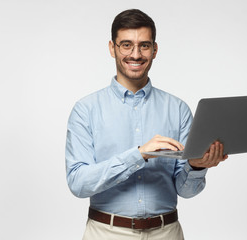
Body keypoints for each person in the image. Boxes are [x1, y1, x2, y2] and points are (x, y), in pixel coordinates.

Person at [65, 9, 228, 240]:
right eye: (126, 45)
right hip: (106, 233)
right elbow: (78, 183)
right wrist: (138, 155)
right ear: (112, 48)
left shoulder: (178, 109)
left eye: (144, 45)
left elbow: (186, 191)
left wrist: (197, 166)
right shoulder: (86, 109)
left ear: (154, 50)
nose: (135, 54)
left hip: (166, 232)